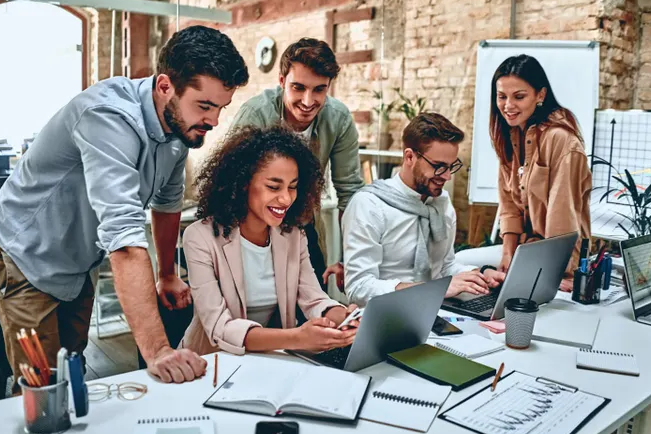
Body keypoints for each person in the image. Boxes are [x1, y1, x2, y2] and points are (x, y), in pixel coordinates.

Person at [0, 25, 249, 391]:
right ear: (165, 86)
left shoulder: (179, 130)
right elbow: (124, 240)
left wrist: (167, 273)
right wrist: (157, 351)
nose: (214, 122)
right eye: (204, 106)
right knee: (42, 384)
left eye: (221, 108)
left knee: (72, 367)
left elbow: (167, 203)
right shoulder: (107, 117)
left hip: (77, 259)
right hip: (24, 253)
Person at [180, 125, 357, 356]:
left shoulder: (293, 235)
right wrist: (297, 338)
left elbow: (313, 298)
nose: (285, 198)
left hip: (271, 360)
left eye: (293, 187)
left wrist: (345, 317)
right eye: (273, 187)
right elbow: (220, 328)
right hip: (210, 362)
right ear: (243, 183)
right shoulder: (199, 238)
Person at [229, 38, 363, 291]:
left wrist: (350, 260)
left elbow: (351, 193)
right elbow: (231, 187)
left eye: (319, 90)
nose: (308, 100)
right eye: (298, 87)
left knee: (316, 307)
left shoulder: (338, 119)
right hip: (252, 229)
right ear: (281, 82)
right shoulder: (255, 115)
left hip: (303, 225)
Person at [342, 113, 505, 307]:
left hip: (437, 310)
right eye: (438, 166)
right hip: (388, 314)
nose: (447, 177)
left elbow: (445, 266)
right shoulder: (369, 205)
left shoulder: (441, 202)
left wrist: (481, 274)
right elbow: (358, 288)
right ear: (409, 156)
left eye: (451, 167)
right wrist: (435, 289)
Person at [490, 54, 591, 290]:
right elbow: (509, 206)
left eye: (519, 97)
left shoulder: (561, 140)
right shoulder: (509, 136)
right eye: (501, 96)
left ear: (541, 95)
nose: (508, 106)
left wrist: (555, 274)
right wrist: (507, 254)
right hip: (525, 253)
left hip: (559, 261)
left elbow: (561, 217)